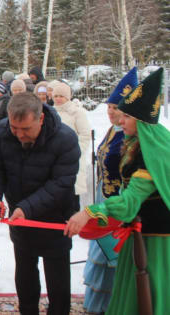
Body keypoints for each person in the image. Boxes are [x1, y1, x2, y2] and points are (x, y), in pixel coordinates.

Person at [65, 68, 170, 315]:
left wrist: (89, 212)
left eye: (126, 116)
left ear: (142, 120)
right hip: (139, 233)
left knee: (149, 297)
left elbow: (129, 203)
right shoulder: (143, 142)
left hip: (154, 241)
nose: (120, 121)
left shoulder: (148, 154)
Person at [0, 92, 80, 315]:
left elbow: (61, 183)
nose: (19, 135)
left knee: (58, 282)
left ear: (40, 119)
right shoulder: (3, 131)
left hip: (55, 219)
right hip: (21, 220)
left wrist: (26, 208)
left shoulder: (65, 139)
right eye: (14, 128)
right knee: (26, 276)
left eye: (26, 129)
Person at [83, 67, 138, 315]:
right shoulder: (112, 131)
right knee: (101, 254)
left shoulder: (132, 138)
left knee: (114, 258)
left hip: (119, 204)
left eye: (116, 109)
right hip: (103, 197)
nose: (111, 113)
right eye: (108, 108)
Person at [53, 82, 91, 209]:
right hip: (55, 160)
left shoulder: (77, 113)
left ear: (67, 97)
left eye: (61, 96)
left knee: (72, 198)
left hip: (73, 161)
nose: (58, 99)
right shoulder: (51, 112)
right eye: (56, 95)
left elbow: (85, 135)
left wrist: (73, 152)